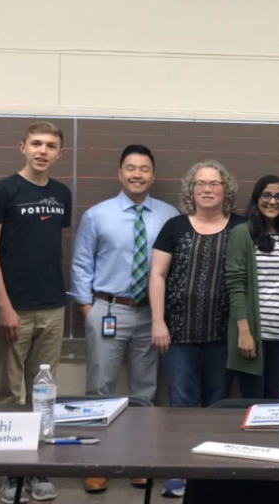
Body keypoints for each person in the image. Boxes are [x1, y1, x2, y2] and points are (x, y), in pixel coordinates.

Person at [70, 145, 178, 494]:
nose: (137, 174)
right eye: (130, 168)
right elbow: (81, 265)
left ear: (153, 175)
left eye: (144, 169)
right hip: (107, 309)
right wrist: (89, 311)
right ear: (120, 174)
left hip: (150, 313)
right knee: (99, 390)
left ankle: (138, 462)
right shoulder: (97, 215)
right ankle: (97, 464)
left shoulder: (168, 215)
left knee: (144, 393)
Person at [0, 121, 72, 503]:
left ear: (59, 153)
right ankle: (11, 471)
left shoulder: (61, 193)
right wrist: (3, 304)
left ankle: (36, 469)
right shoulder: (1, 190)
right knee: (9, 393)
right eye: (36, 143)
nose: (42, 150)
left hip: (52, 306)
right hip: (12, 308)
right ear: (22, 146)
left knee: (43, 394)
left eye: (51, 145)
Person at [150, 160, 244, 498]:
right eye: (200, 183)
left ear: (225, 190)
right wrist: (158, 322)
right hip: (178, 335)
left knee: (218, 406)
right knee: (182, 406)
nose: (207, 189)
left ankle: (212, 475)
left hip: (224, 337)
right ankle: (180, 473)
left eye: (214, 183)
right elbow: (158, 275)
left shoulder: (242, 227)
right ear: (192, 190)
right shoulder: (174, 227)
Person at [226, 175, 279, 400]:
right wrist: (244, 332)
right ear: (256, 198)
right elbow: (236, 285)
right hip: (255, 338)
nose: (272, 201)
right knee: (254, 407)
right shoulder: (243, 234)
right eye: (267, 195)